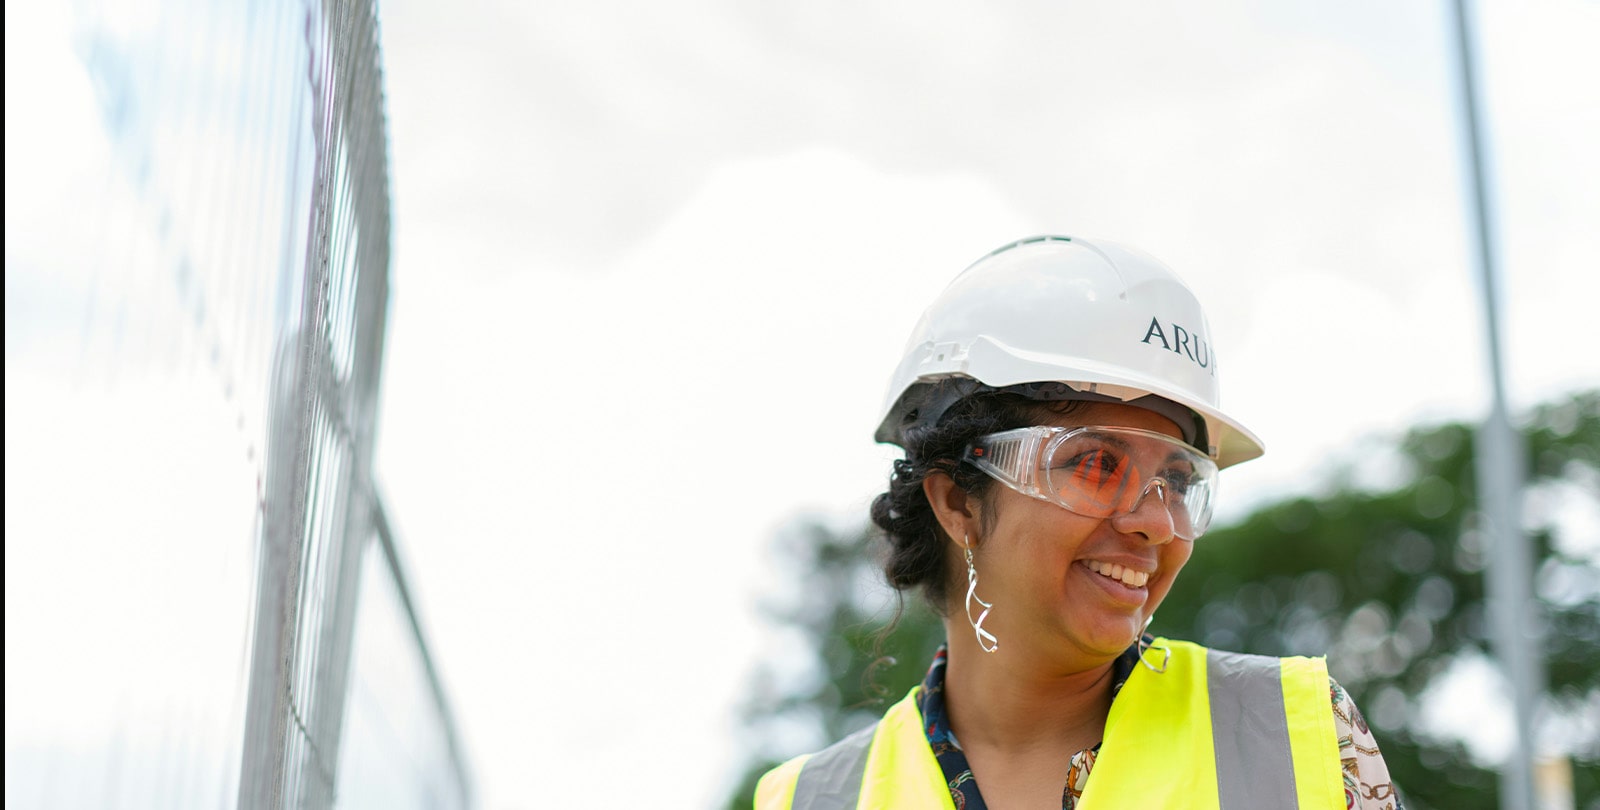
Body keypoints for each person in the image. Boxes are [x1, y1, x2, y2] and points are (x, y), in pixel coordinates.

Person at [755, 236, 1405, 809]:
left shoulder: (1297, 737)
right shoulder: (811, 800)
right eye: (1096, 463)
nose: (1157, 521)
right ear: (957, 503)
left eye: (1179, 481)